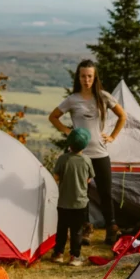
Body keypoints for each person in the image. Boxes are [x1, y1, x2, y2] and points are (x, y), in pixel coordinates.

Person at [48, 60, 126, 245]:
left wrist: (112, 136)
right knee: (82, 193)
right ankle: (86, 228)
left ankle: (111, 228)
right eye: (83, 76)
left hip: (100, 153)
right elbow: (53, 117)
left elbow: (122, 116)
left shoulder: (103, 97)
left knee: (105, 192)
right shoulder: (72, 99)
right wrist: (68, 131)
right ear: (78, 77)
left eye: (90, 76)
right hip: (79, 155)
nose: (86, 80)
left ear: (95, 77)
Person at [51, 128, 94, 267]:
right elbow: (89, 179)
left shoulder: (63, 159)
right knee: (77, 231)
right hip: (80, 203)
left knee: (62, 229)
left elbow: (55, 177)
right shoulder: (87, 160)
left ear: (69, 144)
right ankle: (75, 257)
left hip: (63, 202)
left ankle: (58, 254)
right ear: (85, 145)